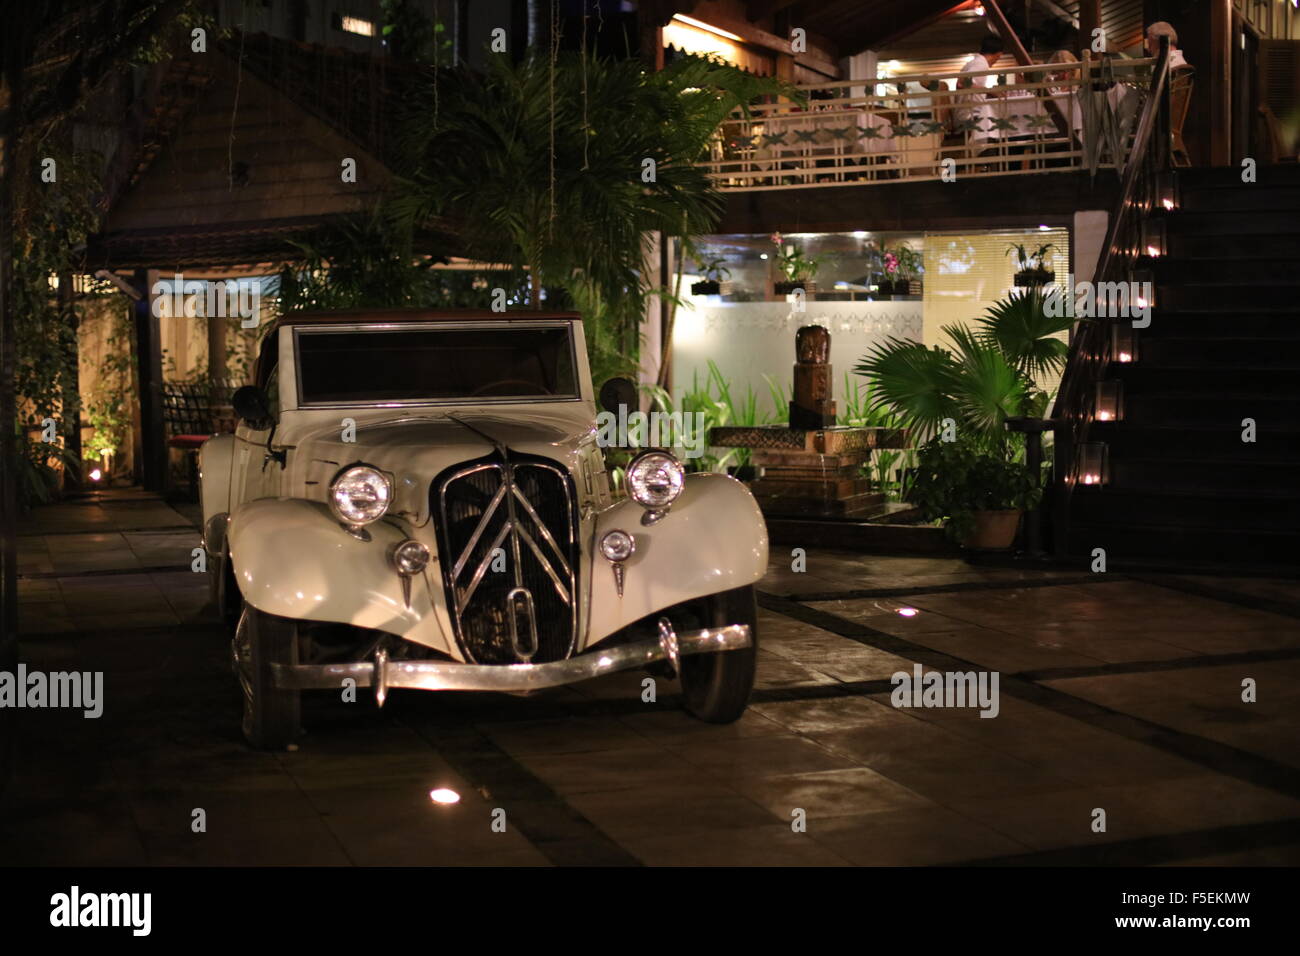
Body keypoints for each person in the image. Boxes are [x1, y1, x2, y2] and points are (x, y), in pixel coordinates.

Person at [957, 35, 1007, 145]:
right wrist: (991, 91)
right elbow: (963, 82)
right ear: (998, 55)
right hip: (971, 115)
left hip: (967, 113)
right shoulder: (981, 64)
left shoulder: (975, 62)